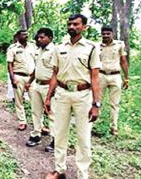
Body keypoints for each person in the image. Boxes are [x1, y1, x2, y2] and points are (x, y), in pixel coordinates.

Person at [44, 14, 101, 179]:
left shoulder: (91, 48)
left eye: (76, 24)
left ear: (84, 27)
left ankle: (82, 174)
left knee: (83, 137)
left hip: (83, 95)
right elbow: (55, 74)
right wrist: (48, 97)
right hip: (62, 94)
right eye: (69, 24)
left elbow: (95, 77)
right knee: (59, 133)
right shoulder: (59, 47)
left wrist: (96, 104)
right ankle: (59, 170)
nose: (72, 27)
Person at [25, 27, 55, 152]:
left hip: (49, 86)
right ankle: (36, 134)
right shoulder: (39, 51)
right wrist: (29, 81)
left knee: (52, 113)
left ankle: (55, 139)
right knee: (36, 111)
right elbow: (36, 68)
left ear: (50, 38)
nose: (39, 39)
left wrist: (51, 92)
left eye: (42, 37)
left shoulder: (54, 51)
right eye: (38, 37)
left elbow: (56, 72)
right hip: (37, 85)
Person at [99, 25, 129, 136]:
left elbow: (124, 61)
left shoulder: (119, 45)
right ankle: (93, 124)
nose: (106, 36)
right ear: (101, 34)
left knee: (115, 103)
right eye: (104, 34)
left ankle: (114, 128)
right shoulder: (97, 46)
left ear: (112, 34)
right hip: (101, 75)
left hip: (115, 76)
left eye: (108, 33)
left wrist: (126, 78)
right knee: (97, 102)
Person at [7, 30, 35, 131]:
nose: (26, 36)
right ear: (18, 36)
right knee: (19, 101)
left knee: (36, 101)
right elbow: (9, 64)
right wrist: (12, 79)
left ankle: (39, 124)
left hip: (32, 78)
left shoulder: (33, 47)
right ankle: (22, 122)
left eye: (27, 34)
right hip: (19, 77)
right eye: (23, 34)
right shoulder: (12, 48)